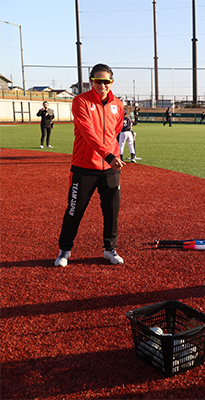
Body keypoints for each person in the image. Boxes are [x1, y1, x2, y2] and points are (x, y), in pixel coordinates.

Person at [54, 63, 126, 267]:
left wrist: (112, 157)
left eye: (106, 81)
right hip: (84, 167)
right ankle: (64, 250)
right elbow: (88, 133)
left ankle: (110, 249)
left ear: (111, 82)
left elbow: (116, 131)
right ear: (91, 81)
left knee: (112, 210)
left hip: (110, 168)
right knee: (74, 210)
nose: (102, 85)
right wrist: (108, 154)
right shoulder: (80, 101)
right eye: (97, 81)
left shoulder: (118, 104)